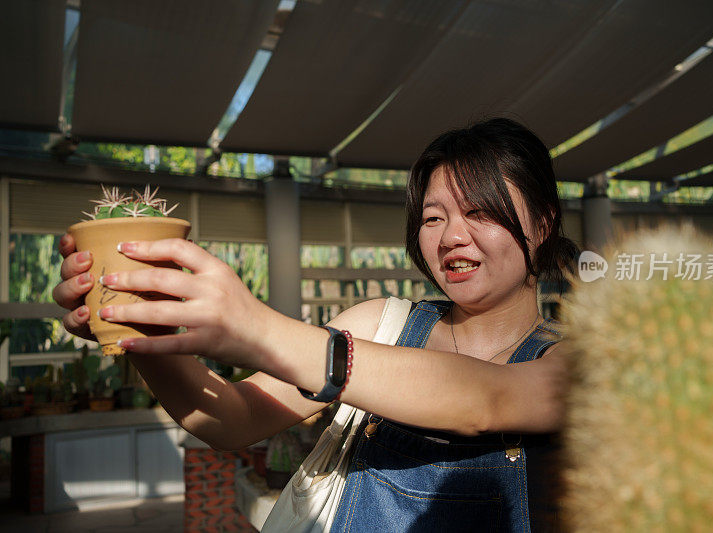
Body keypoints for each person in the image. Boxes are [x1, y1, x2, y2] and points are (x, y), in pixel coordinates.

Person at [54, 117, 579, 532]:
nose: (450, 237)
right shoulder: (382, 324)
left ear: (543, 220)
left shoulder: (578, 364)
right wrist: (139, 328)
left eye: (480, 212)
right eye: (434, 216)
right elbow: (231, 420)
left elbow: (488, 401)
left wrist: (255, 327)